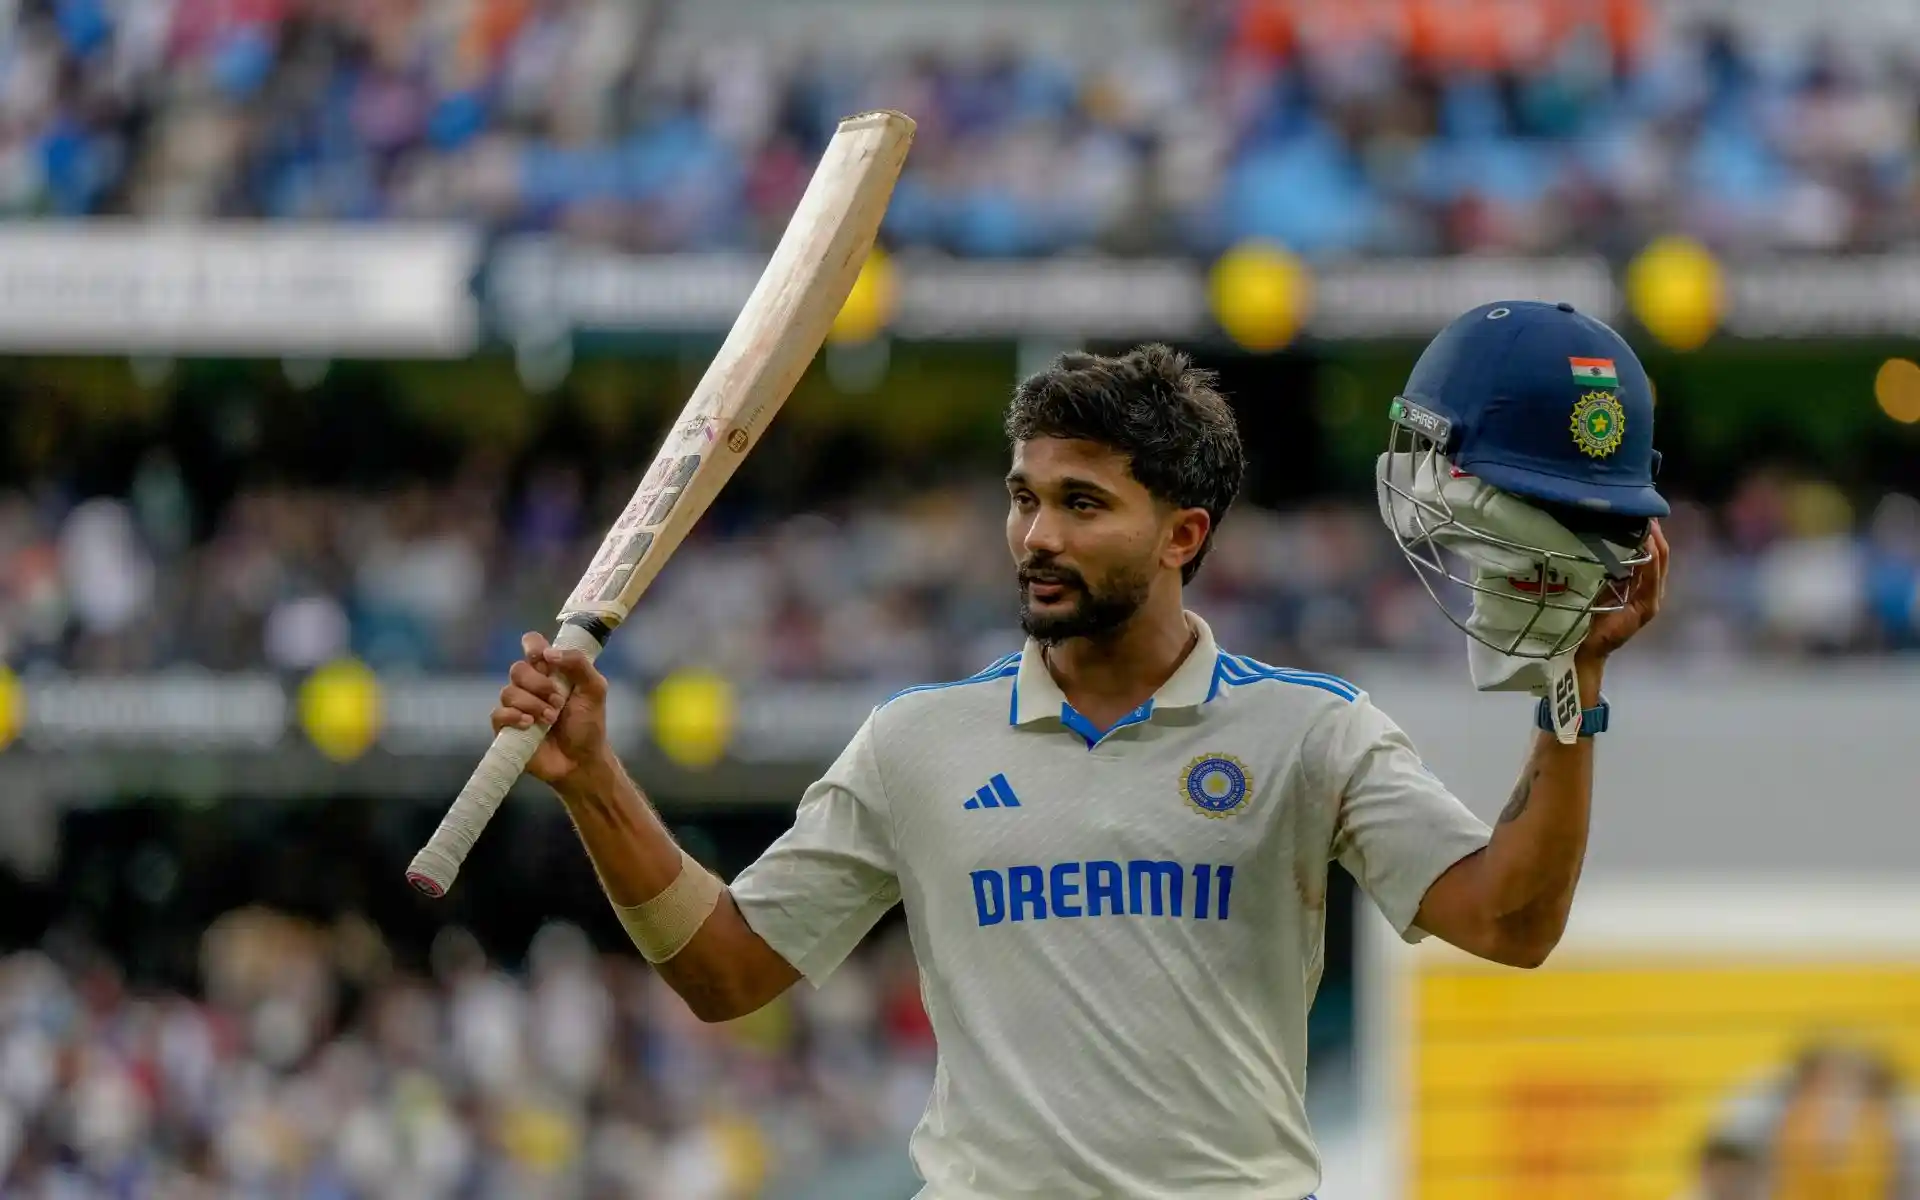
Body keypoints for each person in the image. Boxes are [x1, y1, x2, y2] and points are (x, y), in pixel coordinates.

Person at [491, 342, 1670, 1199]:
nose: (1037, 535)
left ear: (1182, 535)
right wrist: (596, 776)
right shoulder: (917, 743)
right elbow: (725, 972)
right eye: (1024, 498)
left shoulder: (1313, 732)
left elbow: (1511, 923)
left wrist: (1576, 694)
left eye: (1081, 503)